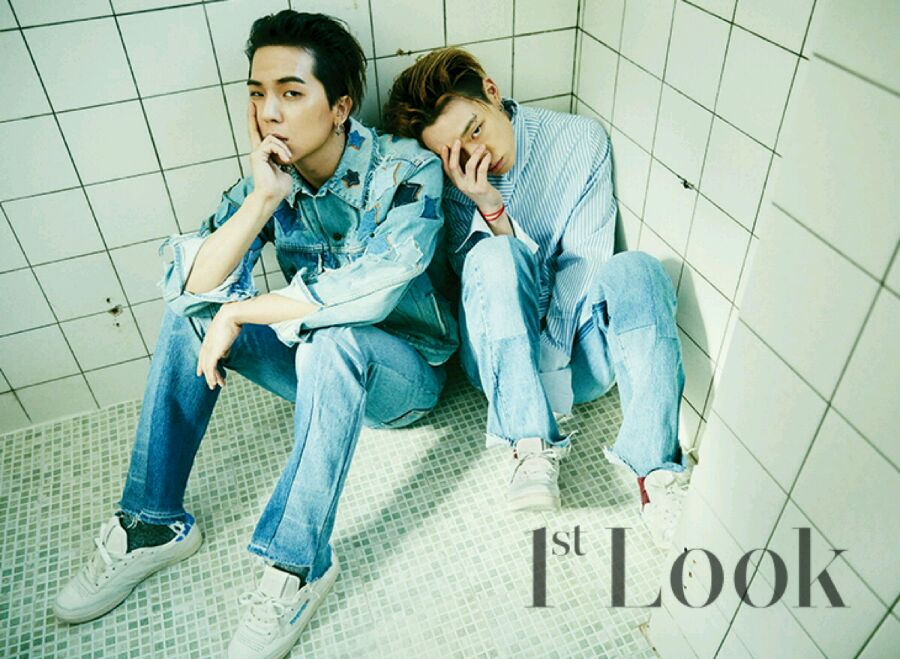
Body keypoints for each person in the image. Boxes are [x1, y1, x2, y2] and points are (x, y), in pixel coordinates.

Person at [52, 11, 457, 658]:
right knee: (193, 315)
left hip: (402, 376)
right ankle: (153, 522)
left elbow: (376, 288)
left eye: (291, 93)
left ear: (340, 107)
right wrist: (262, 200)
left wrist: (243, 312)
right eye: (257, 93)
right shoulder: (269, 178)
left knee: (333, 336)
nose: (269, 112)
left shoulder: (406, 171)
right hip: (314, 367)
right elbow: (190, 286)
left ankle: (298, 565)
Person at [382, 48, 689, 547]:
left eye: (476, 130)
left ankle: (657, 476)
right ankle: (530, 445)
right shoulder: (453, 181)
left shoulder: (579, 140)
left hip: (576, 355)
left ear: (491, 92)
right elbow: (482, 288)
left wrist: (549, 365)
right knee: (493, 255)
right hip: (503, 367)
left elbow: (586, 264)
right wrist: (489, 207)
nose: (477, 156)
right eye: (456, 152)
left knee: (637, 269)